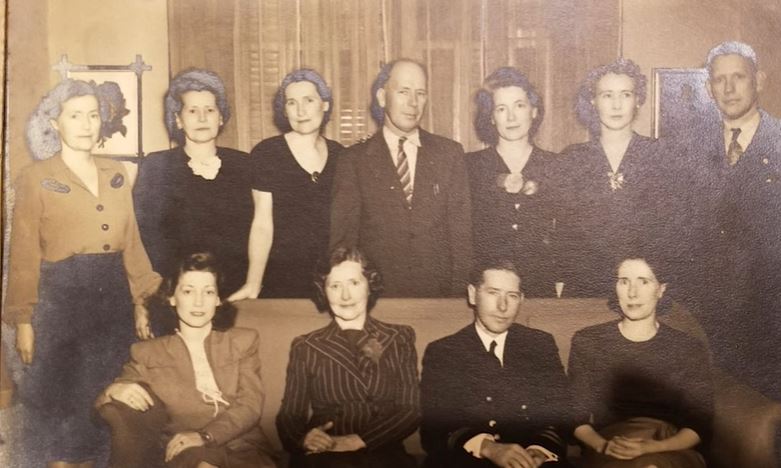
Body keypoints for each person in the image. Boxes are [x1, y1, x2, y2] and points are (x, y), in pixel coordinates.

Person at [4, 79, 162, 467]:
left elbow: (132, 243)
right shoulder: (35, 177)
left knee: (104, 408)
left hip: (111, 304)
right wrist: (24, 319)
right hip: (60, 304)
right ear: (55, 123)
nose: (87, 124)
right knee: (61, 412)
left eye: (94, 115)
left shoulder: (118, 174)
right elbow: (22, 253)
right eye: (75, 115)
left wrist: (144, 300)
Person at [95, 252, 277, 468]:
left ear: (218, 299)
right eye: (188, 291)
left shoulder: (243, 341)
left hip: (243, 449)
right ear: (172, 298)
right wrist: (112, 391)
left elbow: (250, 406)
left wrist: (206, 436)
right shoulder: (147, 353)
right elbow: (101, 408)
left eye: (208, 292)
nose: (199, 302)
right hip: (187, 454)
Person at [680, 41, 781, 401]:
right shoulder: (690, 147)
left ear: (760, 80)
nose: (729, 88)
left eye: (738, 77)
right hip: (706, 316)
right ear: (708, 88)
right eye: (719, 80)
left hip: (769, 318)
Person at [329, 58, 472, 297]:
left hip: (438, 300)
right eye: (403, 91)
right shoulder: (354, 160)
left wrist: (457, 302)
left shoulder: (450, 154)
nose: (413, 103)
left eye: (420, 93)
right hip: (377, 299)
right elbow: (343, 243)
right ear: (383, 97)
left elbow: (462, 238)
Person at [276, 246, 419, 467]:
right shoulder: (306, 346)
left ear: (370, 286)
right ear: (323, 291)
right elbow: (290, 415)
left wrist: (360, 440)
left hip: (382, 449)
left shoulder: (398, 337)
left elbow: (410, 409)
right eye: (335, 286)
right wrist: (303, 438)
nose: (345, 296)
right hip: (326, 452)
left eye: (354, 283)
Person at [420, 259, 572, 468]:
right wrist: (489, 448)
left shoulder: (539, 344)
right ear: (473, 294)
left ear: (521, 299)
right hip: (467, 460)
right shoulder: (444, 352)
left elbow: (560, 410)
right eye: (493, 293)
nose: (503, 306)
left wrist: (539, 450)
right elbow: (433, 430)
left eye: (512, 296)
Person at [568, 255, 713, 467]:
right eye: (624, 281)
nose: (632, 293)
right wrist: (603, 446)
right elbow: (575, 417)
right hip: (610, 445)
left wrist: (652, 448)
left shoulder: (687, 347)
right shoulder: (588, 341)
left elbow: (700, 423)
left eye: (644, 281)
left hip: (670, 446)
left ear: (661, 289)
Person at [133, 68, 262, 302]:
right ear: (178, 119)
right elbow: (145, 237)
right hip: (174, 293)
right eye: (192, 110)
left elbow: (259, 230)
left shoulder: (245, 165)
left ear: (221, 117)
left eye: (210, 110)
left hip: (234, 295)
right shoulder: (157, 166)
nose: (202, 118)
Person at [556, 58, 674, 298]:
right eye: (607, 95)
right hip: (584, 286)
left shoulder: (660, 155)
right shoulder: (572, 158)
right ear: (593, 101)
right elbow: (564, 233)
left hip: (641, 289)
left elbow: (669, 230)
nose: (617, 105)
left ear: (638, 100)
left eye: (626, 94)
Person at [466, 67, 560, 298]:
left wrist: (561, 280)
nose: (511, 117)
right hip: (488, 288)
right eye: (501, 108)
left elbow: (567, 232)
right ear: (491, 116)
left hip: (540, 285)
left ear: (534, 111)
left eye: (519, 105)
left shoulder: (556, 165)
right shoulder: (469, 167)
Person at [251, 68, 344, 298]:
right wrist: (253, 283)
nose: (301, 111)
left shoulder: (342, 155)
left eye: (308, 100)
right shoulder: (267, 153)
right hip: (282, 280)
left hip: (332, 281)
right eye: (292, 103)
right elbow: (262, 225)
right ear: (284, 110)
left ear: (324, 104)